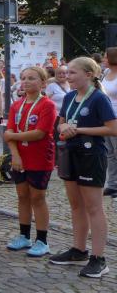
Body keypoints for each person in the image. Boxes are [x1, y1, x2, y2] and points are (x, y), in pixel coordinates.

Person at [50, 57, 117, 278]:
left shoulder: (99, 98)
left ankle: (99, 259)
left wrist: (78, 130)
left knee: (94, 208)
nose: (67, 76)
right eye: (67, 72)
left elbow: (112, 129)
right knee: (76, 205)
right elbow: (60, 123)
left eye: (72, 73)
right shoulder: (69, 97)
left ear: (88, 75)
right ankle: (79, 250)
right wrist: (63, 128)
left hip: (91, 155)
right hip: (70, 153)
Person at [3, 67, 56, 257]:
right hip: (20, 157)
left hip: (40, 157)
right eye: (24, 78)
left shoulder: (47, 105)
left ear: (43, 83)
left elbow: (39, 133)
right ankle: (24, 236)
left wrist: (13, 136)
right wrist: (15, 155)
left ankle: (42, 240)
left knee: (37, 198)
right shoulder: (16, 105)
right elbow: (9, 133)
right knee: (22, 196)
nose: (26, 81)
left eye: (31, 78)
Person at [101, 48, 117, 196]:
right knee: (110, 153)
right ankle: (112, 184)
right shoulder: (105, 73)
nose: (103, 59)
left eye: (106, 57)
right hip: (106, 117)